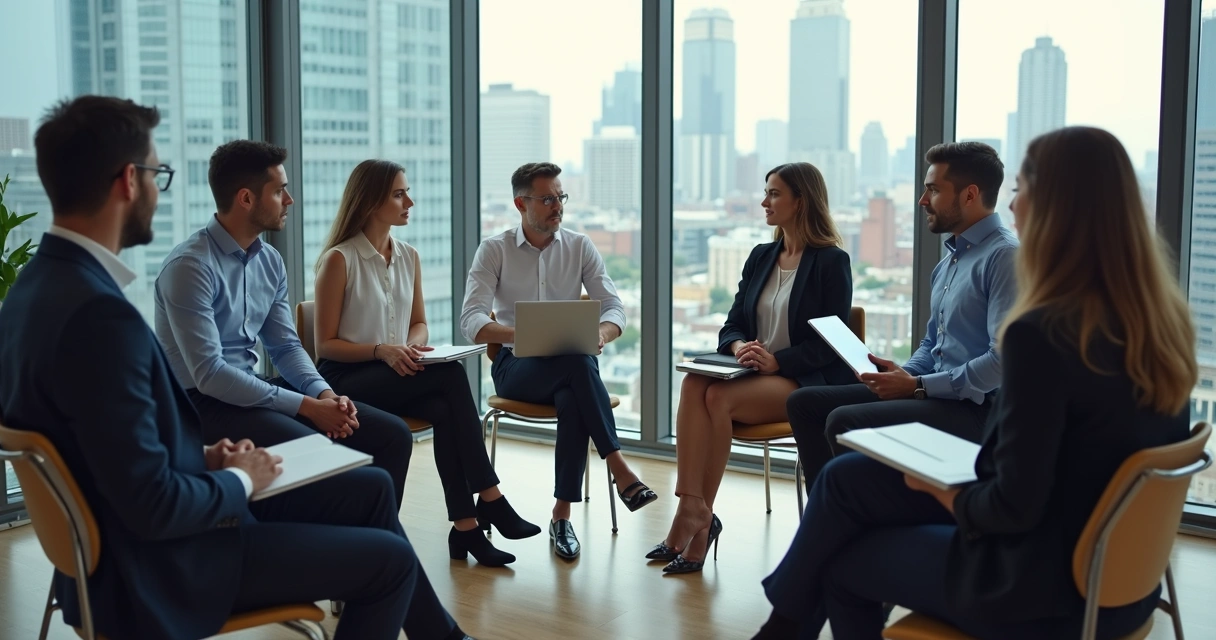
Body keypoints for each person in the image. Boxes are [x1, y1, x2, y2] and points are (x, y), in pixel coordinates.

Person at [0, 96, 473, 640]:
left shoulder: (33, 293)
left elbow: (109, 456)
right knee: (387, 559)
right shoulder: (101, 316)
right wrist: (237, 478)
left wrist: (204, 457)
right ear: (129, 181)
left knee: (370, 492)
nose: (160, 189)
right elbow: (153, 502)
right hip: (172, 563)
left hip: (149, 535)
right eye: (159, 173)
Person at [750, 126, 1196, 640]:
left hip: (1034, 585)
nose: (1014, 204)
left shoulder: (1041, 332)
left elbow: (1007, 508)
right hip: (1118, 584)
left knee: (844, 558)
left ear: (1055, 207)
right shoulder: (1161, 324)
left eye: (1023, 189)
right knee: (844, 481)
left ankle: (782, 627)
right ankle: (782, 628)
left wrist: (937, 487)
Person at [154, 141, 413, 507]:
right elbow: (209, 374)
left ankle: (378, 546)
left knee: (393, 435)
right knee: (331, 459)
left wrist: (324, 395)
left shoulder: (270, 261)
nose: (289, 200)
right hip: (200, 404)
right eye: (279, 191)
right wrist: (307, 407)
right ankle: (361, 549)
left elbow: (286, 347)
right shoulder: (189, 267)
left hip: (251, 390)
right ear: (246, 198)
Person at [313, 159, 540, 567]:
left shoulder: (408, 256)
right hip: (346, 377)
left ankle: (467, 527)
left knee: (443, 408)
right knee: (451, 377)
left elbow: (419, 324)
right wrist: (383, 349)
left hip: (395, 371)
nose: (410, 201)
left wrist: (412, 347)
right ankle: (490, 495)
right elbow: (325, 345)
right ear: (369, 201)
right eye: (399, 194)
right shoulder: (339, 260)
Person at [649, 163, 854, 575]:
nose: (764, 201)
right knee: (693, 384)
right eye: (766, 193)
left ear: (801, 200)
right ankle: (692, 508)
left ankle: (698, 521)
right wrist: (741, 345)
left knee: (717, 397)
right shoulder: (762, 256)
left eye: (775, 194)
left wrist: (779, 360)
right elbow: (732, 323)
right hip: (752, 373)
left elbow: (833, 341)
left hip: (800, 380)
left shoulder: (832, 262)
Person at [787, 141, 1018, 490]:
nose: (923, 201)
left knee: (842, 420)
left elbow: (1002, 362)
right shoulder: (950, 262)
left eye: (933, 190)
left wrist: (918, 386)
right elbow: (932, 342)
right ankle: (831, 517)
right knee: (804, 403)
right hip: (933, 393)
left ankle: (855, 521)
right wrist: (904, 375)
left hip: (979, 410)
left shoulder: (1003, 258)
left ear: (970, 195)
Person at [460, 161, 656, 560]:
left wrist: (600, 334)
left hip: (571, 370)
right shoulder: (494, 250)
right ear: (521, 203)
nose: (557, 206)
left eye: (560, 197)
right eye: (547, 198)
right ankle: (619, 468)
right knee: (579, 367)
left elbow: (615, 308)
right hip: (516, 367)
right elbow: (471, 321)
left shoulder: (580, 246)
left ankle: (561, 515)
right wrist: (523, 334)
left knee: (574, 387)